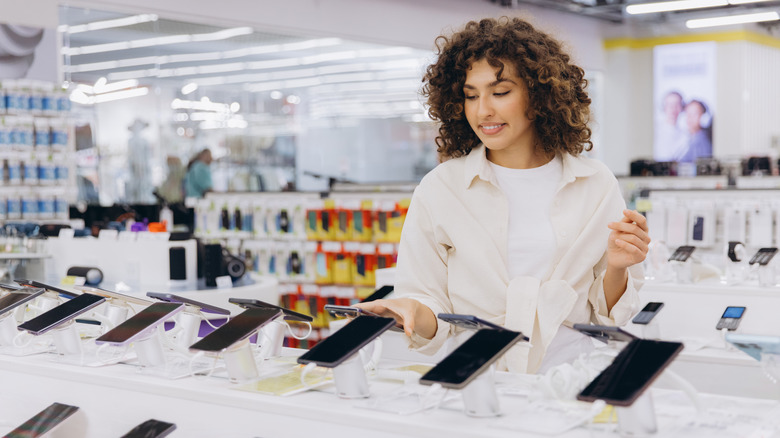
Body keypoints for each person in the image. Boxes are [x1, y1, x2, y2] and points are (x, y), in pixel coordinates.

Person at [356, 17, 649, 374]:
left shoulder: (594, 182)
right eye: (470, 95)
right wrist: (410, 311)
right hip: (478, 376)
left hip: (570, 376)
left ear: (540, 94)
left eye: (500, 92)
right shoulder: (442, 188)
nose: (483, 110)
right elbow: (428, 303)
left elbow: (610, 313)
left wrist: (618, 266)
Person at [653, 91, 688, 162]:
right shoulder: (655, 131)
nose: (673, 108)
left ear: (682, 107)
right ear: (664, 107)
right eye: (670, 105)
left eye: (677, 104)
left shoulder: (686, 135)